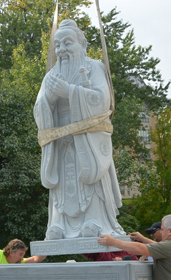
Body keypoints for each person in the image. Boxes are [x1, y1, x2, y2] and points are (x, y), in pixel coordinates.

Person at [34, 19, 125, 240]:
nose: (61, 49)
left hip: (88, 139)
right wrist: (51, 98)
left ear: (81, 44)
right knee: (62, 184)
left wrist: (70, 91)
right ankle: (59, 225)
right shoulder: (51, 75)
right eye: (57, 45)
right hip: (61, 140)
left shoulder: (94, 67)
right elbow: (38, 109)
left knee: (89, 179)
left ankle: (95, 221)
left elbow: (103, 100)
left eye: (67, 43)